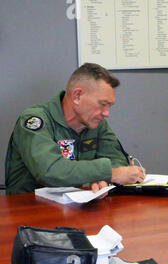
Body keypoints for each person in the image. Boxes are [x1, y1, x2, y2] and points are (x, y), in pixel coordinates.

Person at [5, 63, 146, 196]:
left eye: (110, 106)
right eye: (103, 104)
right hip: (28, 209)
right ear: (77, 96)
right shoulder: (35, 120)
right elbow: (50, 172)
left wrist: (103, 180)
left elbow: (116, 160)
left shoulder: (95, 122)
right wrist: (109, 172)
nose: (106, 113)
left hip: (73, 206)